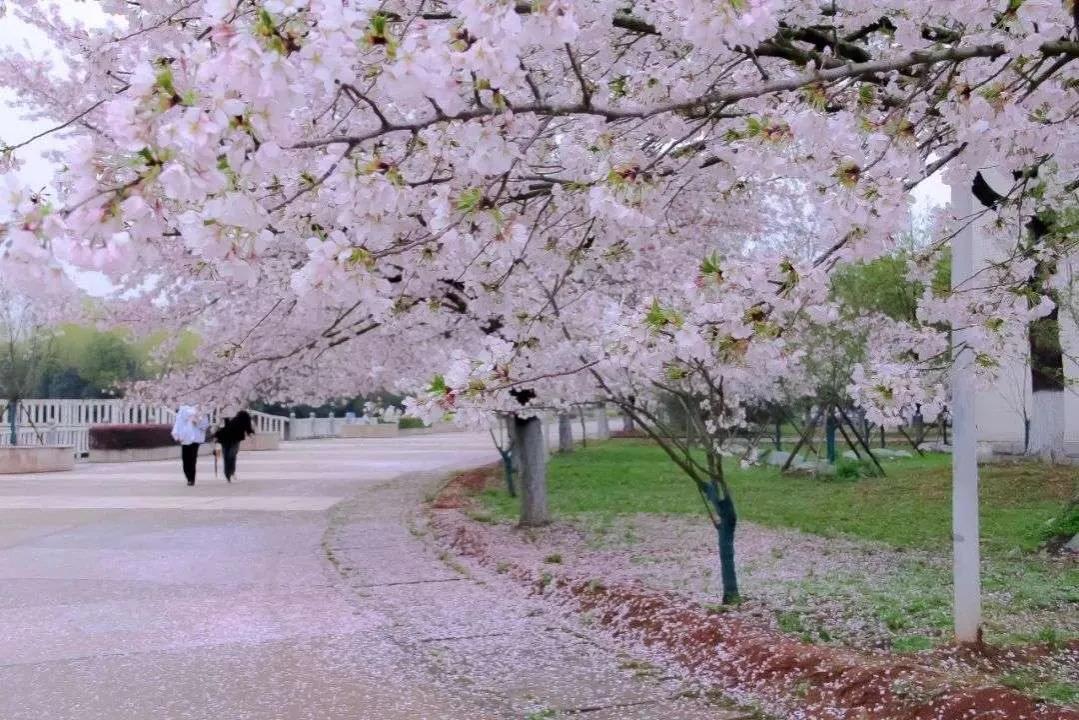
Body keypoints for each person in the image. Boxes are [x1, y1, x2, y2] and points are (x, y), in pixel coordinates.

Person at [171, 405, 209, 486]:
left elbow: (205, 426)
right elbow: (178, 423)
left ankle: (191, 479)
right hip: (185, 439)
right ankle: (188, 476)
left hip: (195, 439)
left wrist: (197, 422)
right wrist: (177, 435)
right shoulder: (183, 410)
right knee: (185, 459)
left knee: (192, 459)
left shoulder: (201, 411)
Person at [213, 410, 255, 483]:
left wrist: (250, 434)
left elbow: (248, 427)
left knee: (231, 455)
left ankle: (231, 471)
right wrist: (216, 436)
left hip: (235, 439)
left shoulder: (244, 416)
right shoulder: (225, 416)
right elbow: (220, 428)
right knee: (226, 456)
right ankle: (227, 474)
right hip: (224, 439)